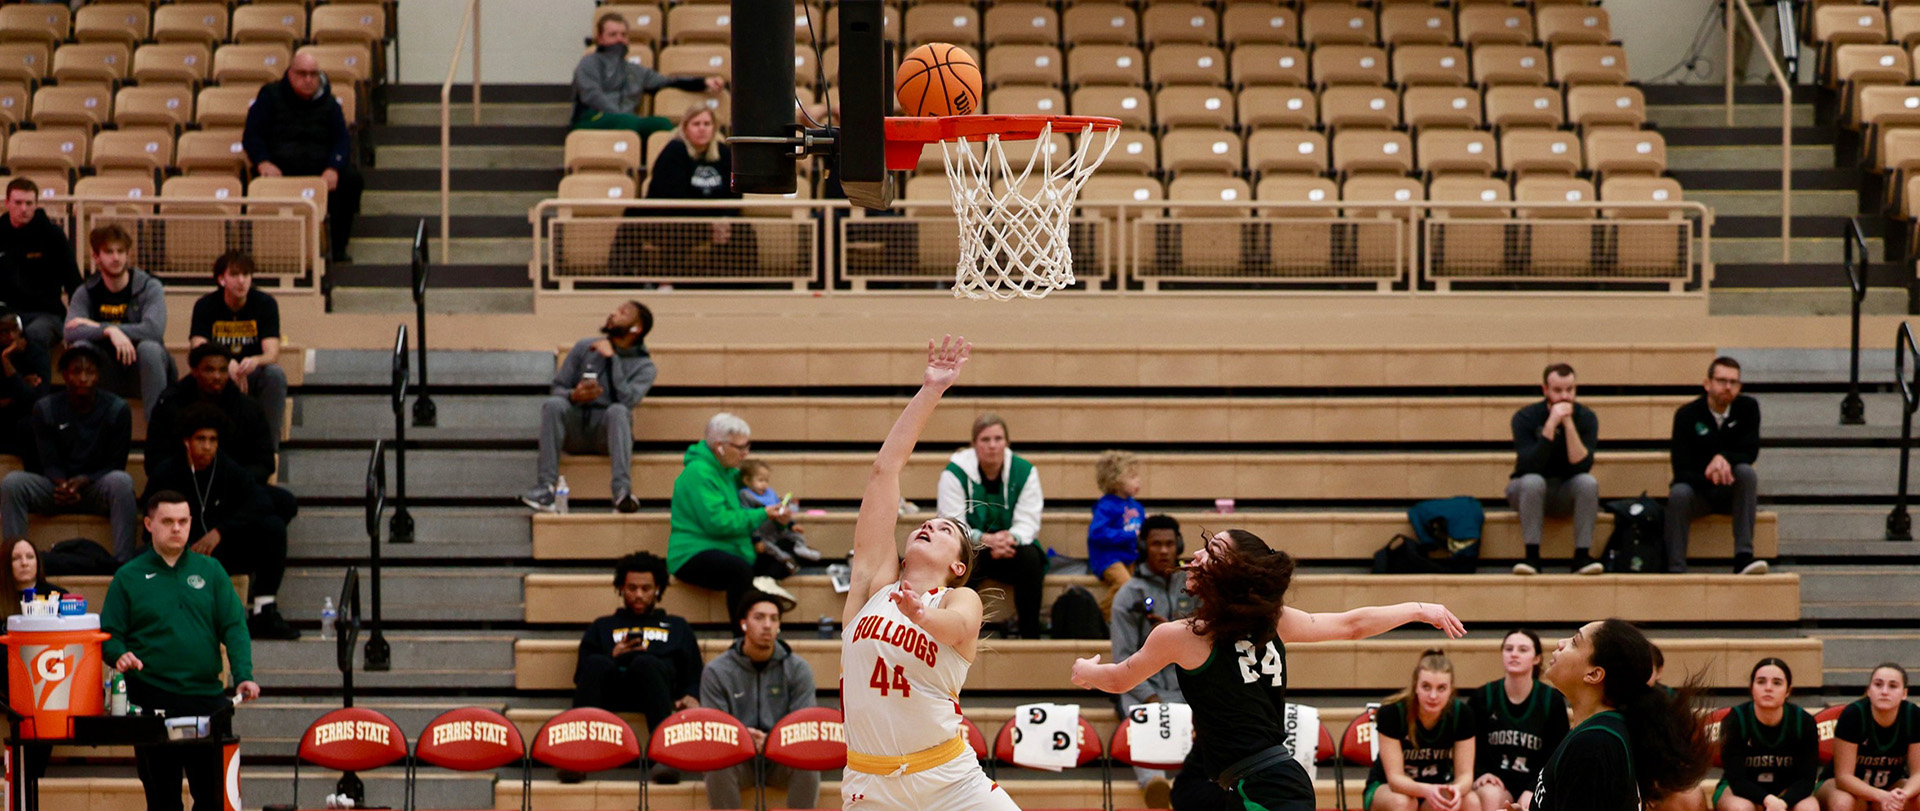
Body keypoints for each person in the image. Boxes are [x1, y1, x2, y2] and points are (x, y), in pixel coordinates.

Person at [1071, 530, 1467, 811]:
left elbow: (1119, 678)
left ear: (1231, 572)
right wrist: (1418, 609)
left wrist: (1086, 670)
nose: (1197, 554)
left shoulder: (1182, 635)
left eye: (1212, 550)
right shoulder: (1271, 621)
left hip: (1264, 785)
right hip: (1266, 783)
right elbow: (1352, 624)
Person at [839, 335, 1016, 811]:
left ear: (958, 565)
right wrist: (931, 390)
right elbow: (884, 472)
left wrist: (921, 616)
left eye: (942, 529)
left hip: (950, 778)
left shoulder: (960, 600)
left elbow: (957, 628)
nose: (927, 526)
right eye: (924, 523)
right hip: (870, 784)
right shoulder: (873, 586)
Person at [105, 490, 261, 811]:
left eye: (183, 521)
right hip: (151, 700)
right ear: (149, 524)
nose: (176, 528)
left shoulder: (212, 571)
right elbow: (108, 635)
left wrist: (244, 674)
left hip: (208, 701)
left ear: (191, 523)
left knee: (215, 798)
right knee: (162, 800)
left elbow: (234, 626)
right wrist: (119, 653)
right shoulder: (128, 577)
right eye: (167, 521)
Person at [140, 405, 298, 640]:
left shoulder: (226, 468)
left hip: (218, 550)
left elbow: (261, 502)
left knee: (272, 527)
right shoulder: (167, 472)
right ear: (187, 441)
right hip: (179, 551)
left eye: (213, 440)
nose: (207, 446)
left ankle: (264, 610)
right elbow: (150, 523)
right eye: (201, 439)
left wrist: (221, 531)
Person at [1531, 619, 1713, 811]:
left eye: (1575, 642)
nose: (1561, 644)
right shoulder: (1599, 733)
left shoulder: (1594, 744)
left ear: (1594, 674)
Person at [0, 345, 137, 560]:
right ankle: (15, 559)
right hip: (56, 488)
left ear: (98, 375)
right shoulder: (45, 408)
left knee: (122, 481)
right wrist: (62, 484)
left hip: (96, 487)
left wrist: (84, 480)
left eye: (89, 372)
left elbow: (115, 464)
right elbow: (48, 460)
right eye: (76, 372)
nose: (83, 378)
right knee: (12, 483)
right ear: (64, 375)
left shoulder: (117, 410)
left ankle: (124, 565)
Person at [523, 301, 657, 514]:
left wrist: (612, 358)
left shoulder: (645, 367)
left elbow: (627, 400)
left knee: (618, 411)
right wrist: (573, 396)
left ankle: (622, 492)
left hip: (606, 434)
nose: (613, 313)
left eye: (622, 312)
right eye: (615, 309)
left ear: (636, 329)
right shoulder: (585, 347)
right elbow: (558, 388)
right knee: (554, 405)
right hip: (575, 429)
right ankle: (545, 489)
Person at [666, 412, 796, 614]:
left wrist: (781, 520)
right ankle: (742, 636)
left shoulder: (729, 472)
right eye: (740, 447)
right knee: (739, 570)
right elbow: (718, 523)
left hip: (729, 546)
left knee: (782, 555)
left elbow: (753, 505)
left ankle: (765, 603)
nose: (745, 453)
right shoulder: (699, 473)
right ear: (720, 446)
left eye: (747, 446)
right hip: (692, 552)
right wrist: (764, 514)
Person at [1108, 514, 1196, 808]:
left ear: (1179, 545)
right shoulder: (1128, 595)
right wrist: (1152, 697)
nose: (1163, 550)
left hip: (1189, 685)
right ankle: (1154, 784)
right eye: (1156, 543)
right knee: (1143, 715)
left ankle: (1200, 782)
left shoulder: (1195, 587)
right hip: (1144, 686)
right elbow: (1123, 658)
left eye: (1169, 543)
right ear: (1144, 546)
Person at [701, 592, 819, 809]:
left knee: (808, 763)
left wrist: (772, 742)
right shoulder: (717, 671)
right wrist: (745, 740)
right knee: (717, 765)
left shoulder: (798, 669)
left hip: (781, 758)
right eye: (759, 617)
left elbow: (804, 727)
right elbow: (716, 728)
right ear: (743, 624)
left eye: (774, 619)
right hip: (737, 757)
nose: (767, 625)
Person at [242, 51, 362, 263]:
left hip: (319, 169)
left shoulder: (329, 103)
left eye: (313, 74)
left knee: (351, 180)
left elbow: (342, 140)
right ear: (290, 73)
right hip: (279, 168)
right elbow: (252, 136)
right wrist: (263, 162)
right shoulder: (270, 96)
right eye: (302, 74)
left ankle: (337, 248)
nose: (308, 80)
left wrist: (334, 167)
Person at [572, 552, 703, 745]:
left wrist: (692, 695)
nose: (639, 595)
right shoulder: (602, 626)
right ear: (621, 588)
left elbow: (694, 672)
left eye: (646, 588)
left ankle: (663, 753)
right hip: (613, 692)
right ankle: (576, 751)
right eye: (632, 588)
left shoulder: (677, 626)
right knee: (597, 662)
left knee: (646, 663)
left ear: (657, 589)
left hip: (658, 692)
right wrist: (612, 655)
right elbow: (582, 674)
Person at [938, 413, 1046, 638]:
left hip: (1010, 548)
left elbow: (1029, 520)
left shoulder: (1025, 471)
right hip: (973, 547)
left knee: (1031, 559)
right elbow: (951, 521)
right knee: (963, 562)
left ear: (1006, 442)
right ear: (974, 444)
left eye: (998, 439)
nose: (993, 446)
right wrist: (984, 539)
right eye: (985, 440)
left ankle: (1029, 633)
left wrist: (1009, 538)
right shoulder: (955, 472)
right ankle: (955, 632)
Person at [1667, 357, 1767, 575]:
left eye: (1734, 382)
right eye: (1722, 380)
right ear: (1707, 384)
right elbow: (1681, 470)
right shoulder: (1686, 415)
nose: (1728, 387)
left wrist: (1723, 457)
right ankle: (1675, 568)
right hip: (1699, 493)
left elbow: (1750, 452)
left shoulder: (1748, 408)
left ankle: (1743, 558)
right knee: (1678, 493)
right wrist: (1711, 473)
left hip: (1731, 494)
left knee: (1746, 473)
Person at [64, 223, 169, 415]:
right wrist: (109, 331)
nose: (116, 258)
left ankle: (158, 433)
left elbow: (153, 330)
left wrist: (102, 327)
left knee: (150, 348)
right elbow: (70, 330)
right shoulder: (86, 291)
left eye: (121, 251)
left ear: (128, 254)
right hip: (106, 370)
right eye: (109, 251)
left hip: (142, 369)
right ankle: (82, 425)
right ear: (96, 257)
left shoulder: (150, 287)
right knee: (80, 347)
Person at [188, 252, 288, 452]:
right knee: (198, 378)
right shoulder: (205, 305)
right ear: (221, 279)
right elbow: (198, 348)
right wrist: (225, 365)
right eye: (234, 274)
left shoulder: (265, 303)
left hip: (251, 373)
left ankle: (268, 450)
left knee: (275, 374)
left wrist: (254, 361)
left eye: (246, 274)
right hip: (218, 374)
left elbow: (272, 353)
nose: (241, 281)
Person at [1507, 364, 1601, 576]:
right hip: (1526, 491)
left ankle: (1582, 556)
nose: (1564, 396)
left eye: (1570, 390)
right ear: (1545, 390)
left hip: (1565, 490)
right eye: (1558, 390)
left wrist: (1568, 425)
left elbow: (1582, 466)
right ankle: (1531, 557)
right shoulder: (1525, 417)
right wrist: (1551, 424)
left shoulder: (1586, 418)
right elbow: (1529, 465)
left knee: (1588, 483)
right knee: (1533, 481)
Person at [572, 13, 724, 137]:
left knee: (661, 124)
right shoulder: (589, 63)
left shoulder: (636, 70)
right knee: (629, 123)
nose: (620, 39)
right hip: (593, 117)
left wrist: (703, 82)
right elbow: (591, 95)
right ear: (600, 38)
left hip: (628, 120)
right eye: (613, 35)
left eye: (623, 35)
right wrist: (621, 115)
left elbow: (668, 82)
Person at [148, 343, 278, 484]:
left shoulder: (249, 408)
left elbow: (264, 463)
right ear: (195, 371)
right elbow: (154, 461)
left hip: (234, 485)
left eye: (223, 370)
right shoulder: (169, 404)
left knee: (283, 501)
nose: (217, 376)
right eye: (209, 370)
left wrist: (233, 480)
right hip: (182, 485)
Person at [1468, 629, 1568, 811]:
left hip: (1535, 780)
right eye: (1508, 649)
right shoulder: (1483, 697)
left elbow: (1555, 754)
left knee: (1530, 802)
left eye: (1522, 649)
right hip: (1497, 782)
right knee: (1490, 795)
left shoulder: (1551, 700)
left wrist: (1533, 788)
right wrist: (1481, 773)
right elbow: (1472, 746)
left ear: (1536, 658)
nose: (1514, 653)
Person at [1366, 651, 1479, 811]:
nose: (1433, 695)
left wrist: (1456, 790)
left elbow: (1465, 776)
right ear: (1415, 687)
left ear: (1451, 690)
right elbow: (1395, 779)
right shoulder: (1392, 713)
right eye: (1426, 687)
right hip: (1388, 789)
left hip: (1438, 786)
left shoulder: (1463, 714)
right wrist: (1428, 791)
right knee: (1403, 802)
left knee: (1471, 801)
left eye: (1441, 688)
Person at [1714, 658, 1817, 811]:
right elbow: (1736, 780)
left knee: (1808, 809)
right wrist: (1767, 800)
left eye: (1777, 683)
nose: (1768, 688)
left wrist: (1783, 802)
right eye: (1761, 682)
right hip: (1740, 789)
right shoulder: (1735, 720)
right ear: (1751, 688)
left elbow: (1807, 780)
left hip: (1788, 791)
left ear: (1788, 691)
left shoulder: (1804, 722)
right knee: (1740, 808)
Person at [1813, 663, 1920, 811]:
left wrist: (1902, 795)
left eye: (1893, 686)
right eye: (1878, 684)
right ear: (1869, 690)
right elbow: (1844, 778)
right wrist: (1880, 796)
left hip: (1891, 785)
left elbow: (1918, 773)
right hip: (1841, 786)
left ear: (1904, 693)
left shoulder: (1913, 715)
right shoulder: (1853, 715)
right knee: (1844, 803)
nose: (1884, 691)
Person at [3, 537, 64, 780]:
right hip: (6, 684)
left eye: (30, 557)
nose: (24, 563)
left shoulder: (58, 597)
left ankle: (29, 779)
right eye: (16, 558)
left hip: (46, 682)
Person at [0, 177, 79, 352]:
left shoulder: (53, 235)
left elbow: (73, 281)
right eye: (18, 202)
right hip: (7, 314)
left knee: (34, 334)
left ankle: (38, 380)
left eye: (29, 203)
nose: (24, 209)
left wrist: (77, 321)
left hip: (47, 314)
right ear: (7, 203)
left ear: (36, 204)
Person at [738, 458, 821, 576]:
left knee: (796, 535)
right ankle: (785, 559)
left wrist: (792, 525)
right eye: (760, 480)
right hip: (762, 535)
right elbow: (747, 520)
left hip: (777, 529)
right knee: (770, 548)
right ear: (747, 480)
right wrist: (756, 540)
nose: (764, 484)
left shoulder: (769, 493)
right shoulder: (745, 495)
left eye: (766, 480)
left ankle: (801, 548)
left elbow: (780, 510)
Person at [1089, 450, 1145, 618]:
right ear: (1116, 480)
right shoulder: (1106, 506)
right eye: (1132, 477)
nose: (1138, 480)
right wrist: (1129, 535)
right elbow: (1097, 533)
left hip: (1130, 557)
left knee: (1141, 586)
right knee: (1125, 584)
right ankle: (1099, 616)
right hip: (1108, 558)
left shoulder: (1137, 507)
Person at [0, 307, 50, 461]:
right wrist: (21, 383)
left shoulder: (35, 352)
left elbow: (35, 402)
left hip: (20, 424)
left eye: (15, 329)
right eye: (4, 331)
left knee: (31, 424)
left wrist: (6, 363)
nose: (12, 337)